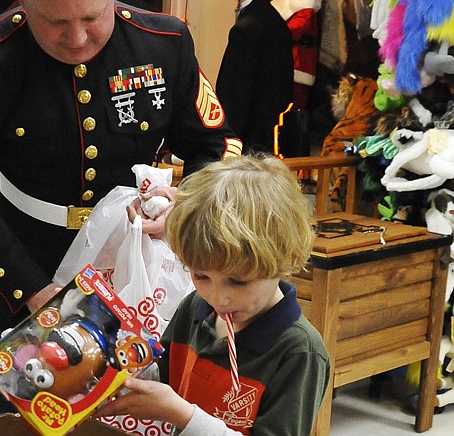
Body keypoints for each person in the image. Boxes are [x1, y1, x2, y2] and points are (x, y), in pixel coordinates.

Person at [0, 0, 242, 418]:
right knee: (11, 417)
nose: (77, 38)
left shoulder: (164, 43)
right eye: (56, 22)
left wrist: (186, 206)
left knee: (133, 412)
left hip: (134, 270)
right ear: (23, 2)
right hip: (23, 262)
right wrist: (33, 291)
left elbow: (218, 145)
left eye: (93, 18)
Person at [96, 155, 331, 435]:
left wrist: (183, 415)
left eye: (239, 281)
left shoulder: (299, 351)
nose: (219, 298)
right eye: (200, 276)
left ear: (287, 260)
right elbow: (161, 376)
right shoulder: (195, 307)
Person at [216, 0, 295, 155]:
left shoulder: (247, 28)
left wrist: (222, 146)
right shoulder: (275, 21)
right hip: (268, 144)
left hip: (245, 148)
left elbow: (233, 99)